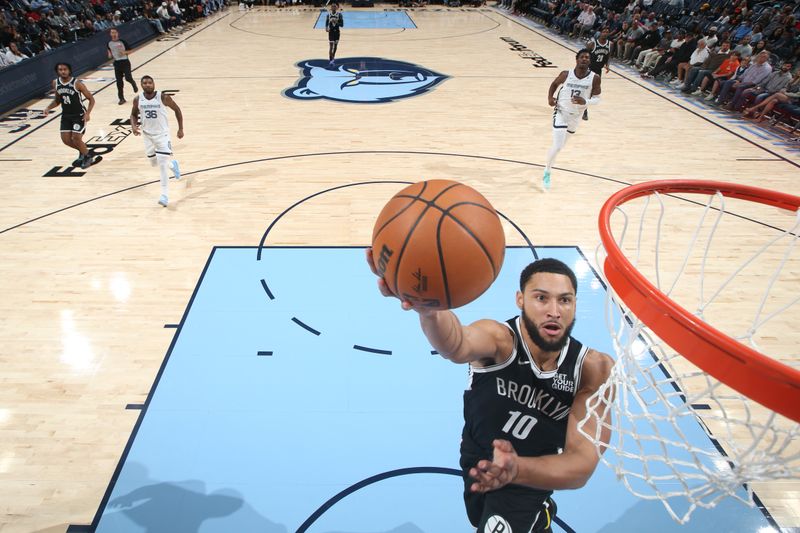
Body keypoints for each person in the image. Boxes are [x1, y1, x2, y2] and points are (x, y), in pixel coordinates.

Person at [366, 253, 614, 533]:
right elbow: (456, 343)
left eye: (564, 300)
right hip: (476, 458)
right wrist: (428, 309)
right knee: (482, 518)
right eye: (541, 298)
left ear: (575, 305)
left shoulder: (593, 369)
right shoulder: (500, 340)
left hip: (530, 476)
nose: (554, 311)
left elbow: (581, 463)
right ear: (520, 299)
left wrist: (517, 469)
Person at [542, 49, 601, 190]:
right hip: (561, 112)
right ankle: (547, 172)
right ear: (577, 59)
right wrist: (550, 98)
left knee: (561, 146)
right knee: (557, 146)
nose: (584, 59)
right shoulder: (566, 74)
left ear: (590, 61)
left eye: (587, 57)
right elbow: (554, 85)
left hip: (576, 117)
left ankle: (549, 164)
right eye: (582, 57)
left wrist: (585, 101)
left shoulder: (595, 78)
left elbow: (597, 99)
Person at [130, 75, 184, 207]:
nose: (148, 85)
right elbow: (133, 114)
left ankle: (164, 195)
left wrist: (180, 128)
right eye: (145, 83)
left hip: (162, 135)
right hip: (147, 135)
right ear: (141, 85)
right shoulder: (138, 99)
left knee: (162, 166)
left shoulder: (163, 97)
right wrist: (133, 126)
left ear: (153, 84)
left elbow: (177, 109)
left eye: (150, 83)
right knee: (154, 163)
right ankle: (173, 165)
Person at [43, 62, 101, 169]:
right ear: (57, 71)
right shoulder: (55, 83)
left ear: (69, 70)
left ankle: (88, 156)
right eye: (60, 69)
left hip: (79, 115)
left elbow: (91, 99)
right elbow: (57, 100)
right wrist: (48, 108)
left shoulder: (77, 83)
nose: (63, 71)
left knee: (76, 138)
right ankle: (83, 151)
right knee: (66, 140)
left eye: (65, 69)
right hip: (66, 116)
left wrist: (87, 113)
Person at [108, 28, 138, 105]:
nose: (113, 34)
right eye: (112, 33)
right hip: (117, 63)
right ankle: (121, 98)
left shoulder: (122, 42)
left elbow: (131, 50)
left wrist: (124, 52)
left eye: (115, 32)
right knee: (119, 82)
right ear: (110, 34)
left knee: (128, 78)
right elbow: (109, 52)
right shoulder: (109, 43)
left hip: (125, 62)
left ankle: (133, 83)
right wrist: (109, 55)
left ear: (117, 33)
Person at [326, 3, 343, 67]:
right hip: (331, 32)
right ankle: (331, 60)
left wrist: (336, 22)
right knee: (331, 46)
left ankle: (333, 57)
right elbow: (326, 23)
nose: (333, 7)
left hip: (337, 32)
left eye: (334, 6)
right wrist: (326, 28)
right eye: (332, 6)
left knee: (335, 46)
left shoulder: (339, 15)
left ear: (337, 8)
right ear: (331, 8)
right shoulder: (329, 15)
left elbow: (342, 25)